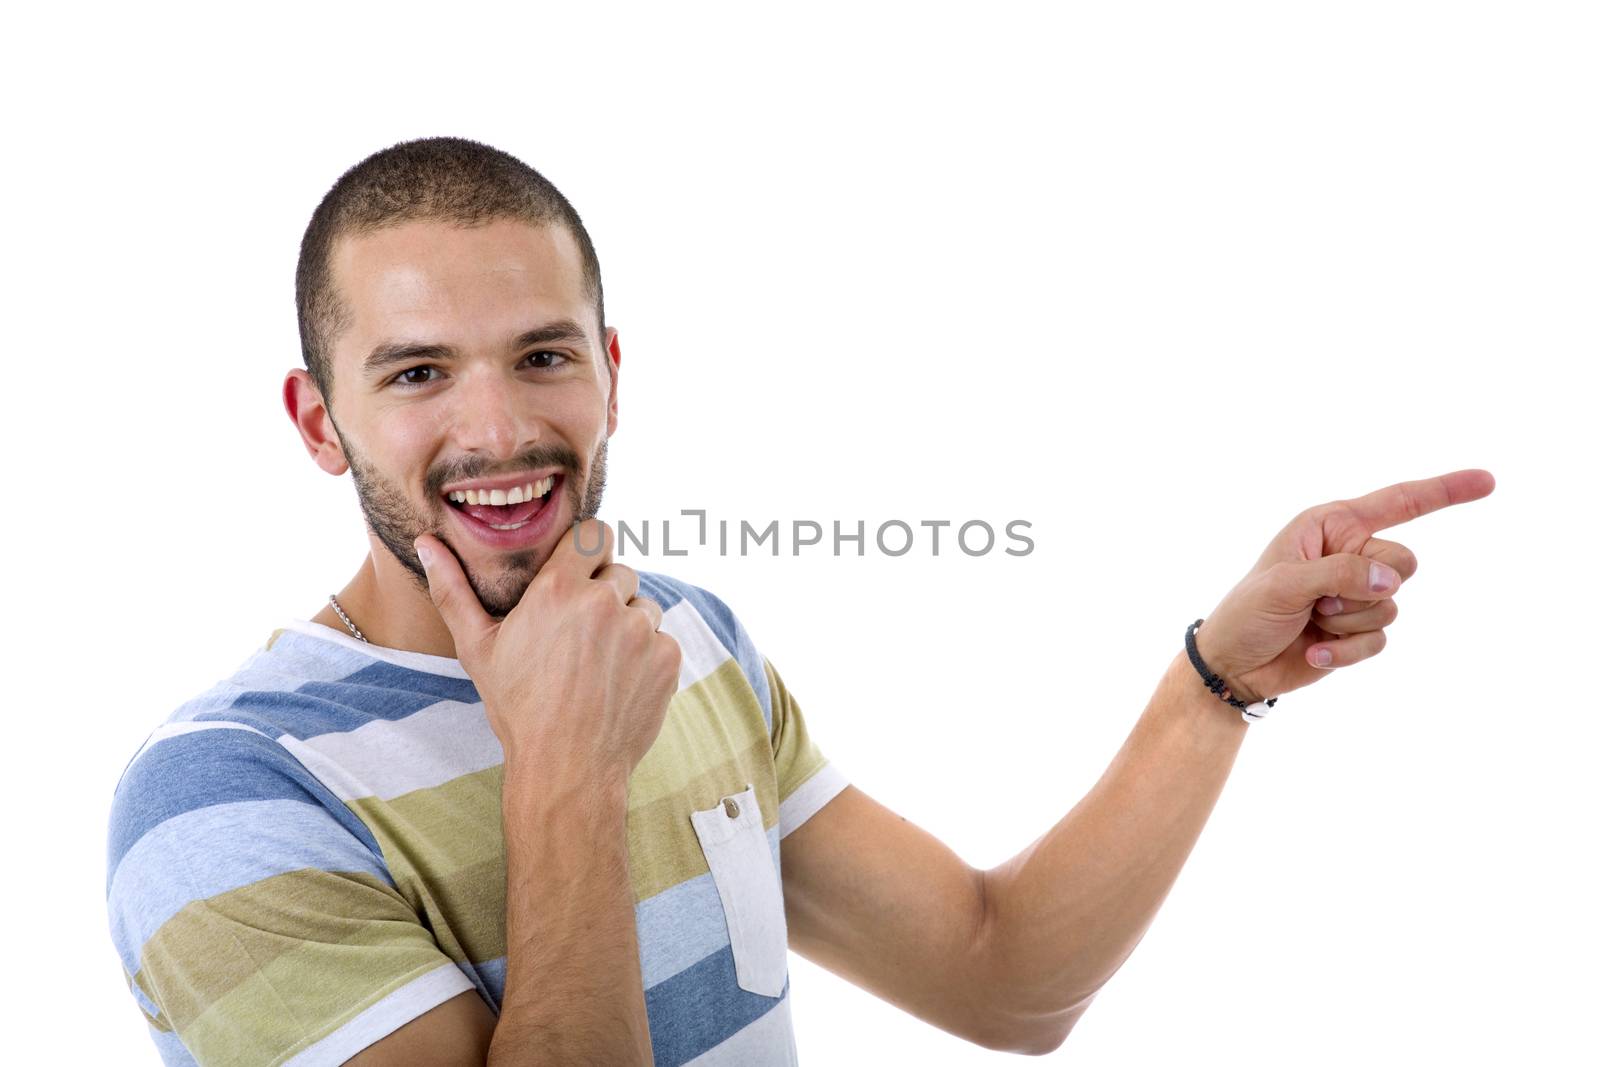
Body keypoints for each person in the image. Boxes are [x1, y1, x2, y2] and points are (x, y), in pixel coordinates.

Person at [104, 135, 1496, 1066]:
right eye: (417, 375)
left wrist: (1217, 681)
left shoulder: (689, 645)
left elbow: (1004, 979)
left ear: (612, 370)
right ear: (317, 420)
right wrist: (567, 770)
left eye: (543, 355)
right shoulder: (221, 802)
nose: (500, 428)